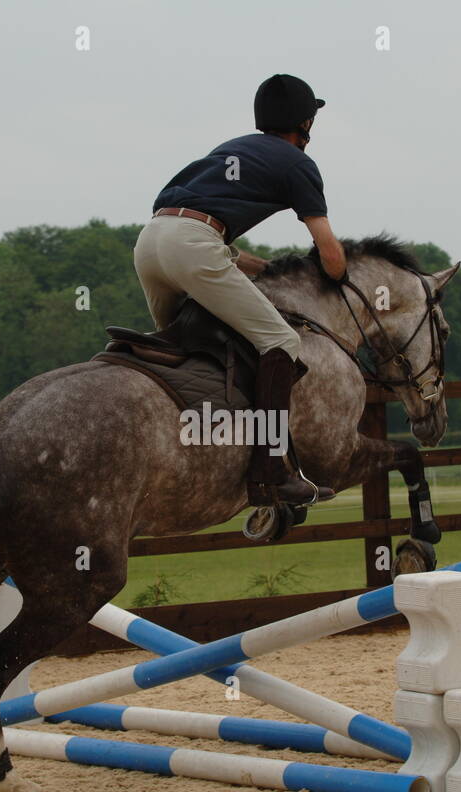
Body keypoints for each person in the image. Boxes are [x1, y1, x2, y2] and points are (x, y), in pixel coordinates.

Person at [134, 74, 345, 506]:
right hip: (195, 247)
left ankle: (188, 445)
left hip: (152, 241)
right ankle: (271, 472)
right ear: (305, 123)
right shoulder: (298, 163)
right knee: (281, 340)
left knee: (178, 347)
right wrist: (335, 277)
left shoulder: (233, 148)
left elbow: (214, 241)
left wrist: (266, 268)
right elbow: (331, 256)